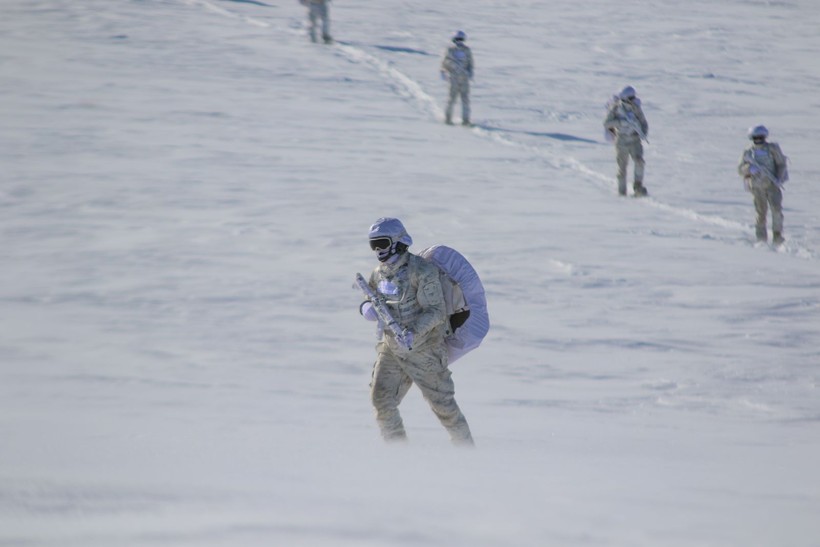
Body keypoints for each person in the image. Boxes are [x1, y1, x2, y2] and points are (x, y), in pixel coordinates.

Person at [359, 217, 474, 445]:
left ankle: (467, 451)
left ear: (397, 241)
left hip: (425, 350)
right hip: (392, 349)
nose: (378, 250)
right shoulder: (379, 273)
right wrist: (366, 308)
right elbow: (369, 295)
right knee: (381, 400)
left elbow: (436, 311)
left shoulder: (422, 271)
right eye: (374, 245)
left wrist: (413, 332)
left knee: (444, 408)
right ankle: (397, 452)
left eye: (382, 243)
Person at [737, 125, 789, 244]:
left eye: (760, 137)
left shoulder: (772, 149)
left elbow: (781, 164)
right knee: (761, 213)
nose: (758, 140)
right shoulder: (748, 152)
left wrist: (779, 179)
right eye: (756, 137)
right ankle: (761, 238)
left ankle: (777, 236)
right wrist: (749, 168)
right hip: (757, 187)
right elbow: (740, 169)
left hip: (772, 185)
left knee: (776, 211)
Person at [604, 85, 649, 196]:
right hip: (622, 141)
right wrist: (621, 123)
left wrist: (642, 133)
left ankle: (638, 187)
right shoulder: (615, 108)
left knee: (639, 162)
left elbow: (644, 123)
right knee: (622, 168)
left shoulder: (636, 109)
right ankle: (621, 193)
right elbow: (606, 123)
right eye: (631, 97)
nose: (633, 99)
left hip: (635, 140)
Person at [440, 30, 474, 126]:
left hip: (464, 77)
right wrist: (444, 72)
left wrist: (470, 73)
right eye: (457, 39)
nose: (459, 41)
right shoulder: (450, 50)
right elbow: (444, 62)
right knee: (451, 99)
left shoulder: (467, 50)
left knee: (465, 99)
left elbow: (470, 63)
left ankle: (466, 120)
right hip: (453, 77)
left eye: (461, 39)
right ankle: (448, 118)